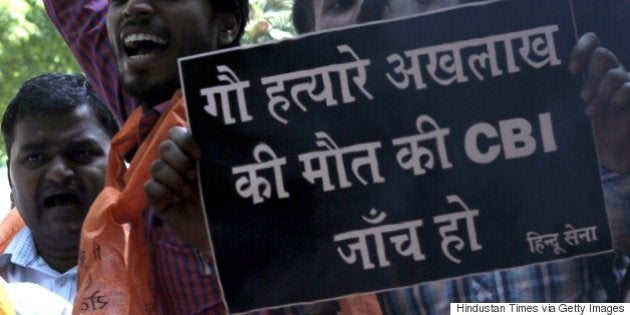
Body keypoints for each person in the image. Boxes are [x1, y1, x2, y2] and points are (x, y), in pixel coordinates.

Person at [148, 0, 630, 314]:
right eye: (342, 4)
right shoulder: (298, 193)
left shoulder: (571, 114)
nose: (383, 16)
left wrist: (623, 162)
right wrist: (229, 241)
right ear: (306, 49)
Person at [42, 0, 257, 314]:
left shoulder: (290, 145)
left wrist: (218, 243)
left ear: (226, 27)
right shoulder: (152, 120)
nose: (133, 7)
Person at [0, 73, 117, 307]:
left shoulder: (173, 262)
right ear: (11, 183)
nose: (59, 173)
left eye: (81, 153)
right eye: (35, 157)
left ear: (120, 166)